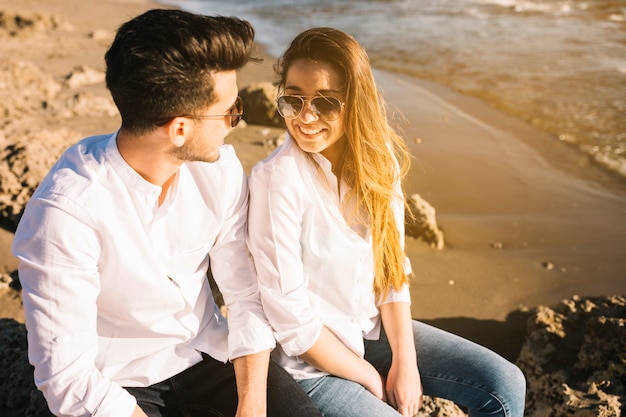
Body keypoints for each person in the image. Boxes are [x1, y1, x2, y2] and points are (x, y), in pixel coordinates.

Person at [12, 9, 322, 417]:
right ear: (179, 129)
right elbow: (68, 378)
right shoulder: (65, 216)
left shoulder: (220, 171)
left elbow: (245, 293)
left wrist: (252, 403)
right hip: (117, 385)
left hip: (209, 356)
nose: (236, 123)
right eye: (231, 111)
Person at [246, 27, 527, 417]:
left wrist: (405, 362)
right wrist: (368, 376)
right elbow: (293, 323)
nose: (305, 116)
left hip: (366, 332)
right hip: (307, 365)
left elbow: (391, 269)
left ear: (354, 102)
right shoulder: (277, 180)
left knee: (504, 385)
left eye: (325, 103)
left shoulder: (379, 165)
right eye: (293, 100)